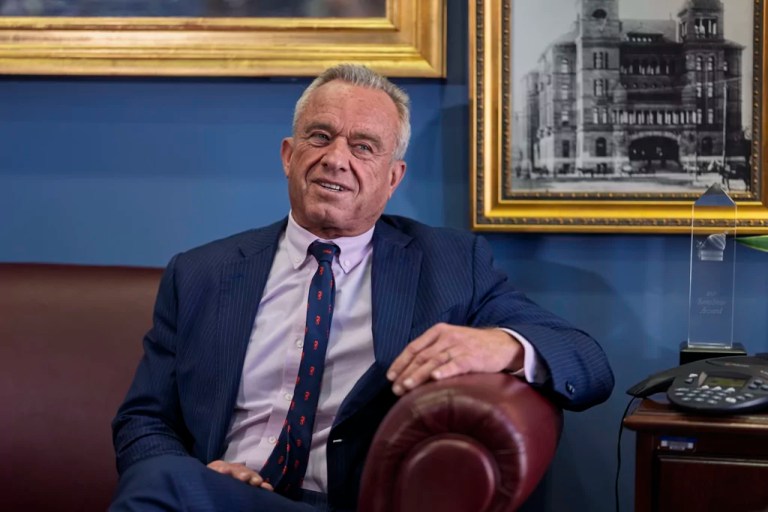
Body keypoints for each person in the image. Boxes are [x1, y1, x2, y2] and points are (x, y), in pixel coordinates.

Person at [110, 63, 614, 512]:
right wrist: (204, 476)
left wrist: (500, 344)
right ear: (289, 155)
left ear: (392, 178)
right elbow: (144, 419)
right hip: (214, 494)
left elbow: (588, 364)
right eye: (320, 136)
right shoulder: (201, 272)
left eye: (363, 147)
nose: (335, 158)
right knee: (161, 479)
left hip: (348, 501)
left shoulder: (451, 265)